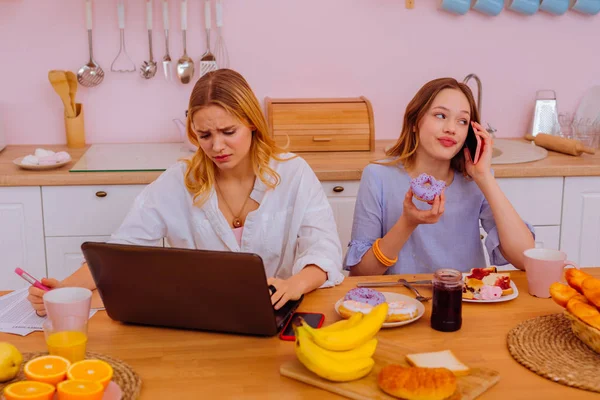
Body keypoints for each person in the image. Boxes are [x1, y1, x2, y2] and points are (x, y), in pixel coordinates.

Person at [29, 69, 344, 315]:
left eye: (228, 132)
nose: (216, 146)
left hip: (277, 315)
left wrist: (293, 285)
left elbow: (324, 248)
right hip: (199, 320)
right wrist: (64, 289)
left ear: (251, 122)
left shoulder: (293, 173)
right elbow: (122, 252)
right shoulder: (178, 181)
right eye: (204, 135)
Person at [346, 77, 535, 276]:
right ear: (414, 122)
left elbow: (525, 258)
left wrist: (484, 177)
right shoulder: (378, 176)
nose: (451, 129)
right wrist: (407, 223)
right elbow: (362, 273)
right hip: (401, 303)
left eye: (462, 121)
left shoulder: (475, 181)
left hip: (465, 301)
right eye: (440, 115)